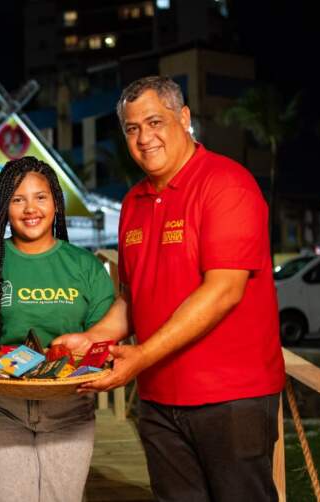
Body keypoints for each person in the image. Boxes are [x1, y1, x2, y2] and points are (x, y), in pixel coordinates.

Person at [53, 76, 285, 502]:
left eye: (155, 122)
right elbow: (132, 298)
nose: (145, 138)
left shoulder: (226, 183)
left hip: (230, 396)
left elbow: (224, 290)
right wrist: (91, 339)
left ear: (184, 118)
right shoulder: (133, 202)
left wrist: (140, 356)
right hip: (158, 398)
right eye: (132, 128)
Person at [0, 156, 115, 502]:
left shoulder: (85, 266)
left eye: (40, 197)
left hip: (69, 408)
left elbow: (103, 340)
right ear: (4, 208)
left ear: (56, 202)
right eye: (18, 199)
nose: (31, 209)